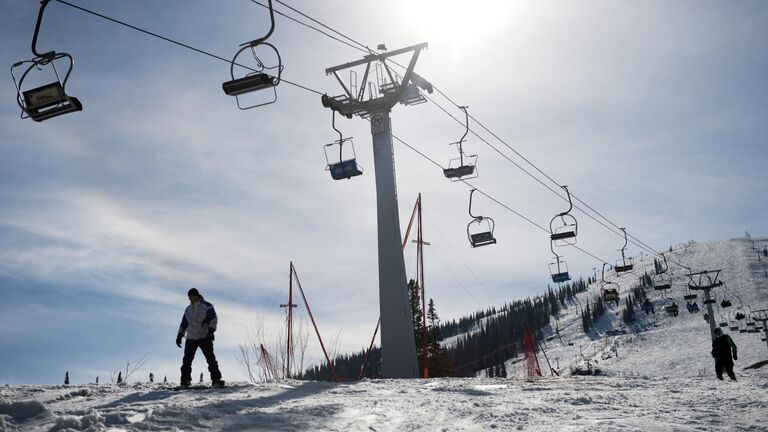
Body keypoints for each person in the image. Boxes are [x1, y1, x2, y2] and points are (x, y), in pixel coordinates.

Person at [176, 288, 224, 388]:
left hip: (204, 336)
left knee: (210, 359)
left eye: (193, 296)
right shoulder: (188, 309)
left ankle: (216, 379)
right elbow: (184, 323)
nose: (191, 298)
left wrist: (211, 331)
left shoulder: (207, 306)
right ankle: (185, 381)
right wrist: (180, 335)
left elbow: (213, 319)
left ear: (197, 295)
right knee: (186, 361)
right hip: (191, 337)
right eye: (190, 296)